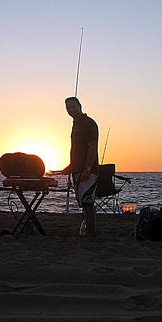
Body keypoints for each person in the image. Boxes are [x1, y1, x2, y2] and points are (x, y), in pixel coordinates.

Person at [61, 96, 99, 236]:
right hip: (77, 170)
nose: (71, 110)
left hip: (88, 171)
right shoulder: (76, 124)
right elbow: (78, 150)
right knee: (83, 201)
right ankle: (87, 229)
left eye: (73, 106)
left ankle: (91, 234)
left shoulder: (88, 123)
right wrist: (71, 166)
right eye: (68, 107)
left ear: (80, 106)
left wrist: (87, 169)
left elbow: (92, 148)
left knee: (88, 202)